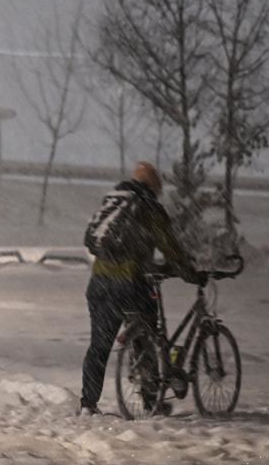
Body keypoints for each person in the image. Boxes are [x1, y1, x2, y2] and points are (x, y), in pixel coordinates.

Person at [78, 161, 202, 415]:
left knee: (99, 346)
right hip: (131, 284)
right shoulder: (149, 208)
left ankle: (88, 404)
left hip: (100, 284)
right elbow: (171, 248)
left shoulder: (113, 203)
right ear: (154, 186)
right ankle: (149, 399)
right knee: (147, 335)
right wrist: (190, 273)